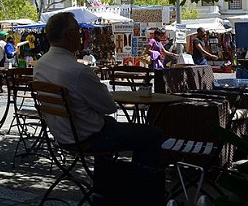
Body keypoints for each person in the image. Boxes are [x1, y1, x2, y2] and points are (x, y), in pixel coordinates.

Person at [33, 11, 162, 167]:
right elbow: (109, 107)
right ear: (69, 34)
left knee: (110, 124)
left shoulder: (40, 64)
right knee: (153, 134)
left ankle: (104, 184)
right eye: (78, 31)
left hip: (62, 135)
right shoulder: (77, 71)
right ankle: (142, 186)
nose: (81, 36)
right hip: (87, 137)